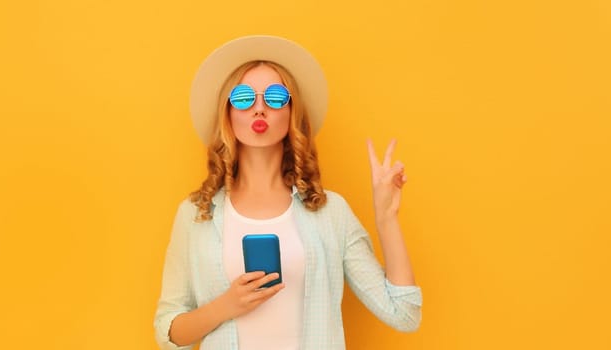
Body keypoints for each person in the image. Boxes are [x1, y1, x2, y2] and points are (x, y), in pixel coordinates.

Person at [154, 35, 422, 350]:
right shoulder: (196, 213)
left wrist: (387, 218)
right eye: (243, 97)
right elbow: (167, 332)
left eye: (275, 97)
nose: (259, 109)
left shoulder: (330, 212)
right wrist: (227, 305)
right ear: (227, 112)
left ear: (292, 112)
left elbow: (404, 314)